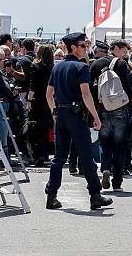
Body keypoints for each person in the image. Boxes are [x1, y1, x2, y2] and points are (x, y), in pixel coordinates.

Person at [44, 32, 112, 210]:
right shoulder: (81, 67)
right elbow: (86, 93)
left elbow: (48, 95)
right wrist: (96, 117)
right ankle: (95, 195)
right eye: (83, 46)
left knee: (59, 157)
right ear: (73, 48)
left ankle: (51, 196)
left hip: (62, 114)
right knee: (86, 156)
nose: (85, 48)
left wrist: (54, 112)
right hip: (75, 115)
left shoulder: (56, 68)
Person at [90, 39, 132, 191]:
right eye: (123, 51)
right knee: (120, 145)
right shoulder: (121, 64)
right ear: (115, 48)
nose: (125, 55)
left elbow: (91, 88)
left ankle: (105, 169)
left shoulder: (96, 64)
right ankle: (117, 180)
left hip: (103, 108)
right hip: (120, 108)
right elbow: (126, 85)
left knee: (105, 143)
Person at [26, 44, 55, 166]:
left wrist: (29, 101)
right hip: (49, 100)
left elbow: (32, 86)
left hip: (37, 100)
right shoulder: (53, 68)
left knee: (35, 128)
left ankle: (37, 155)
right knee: (46, 128)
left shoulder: (35, 66)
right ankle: (45, 153)